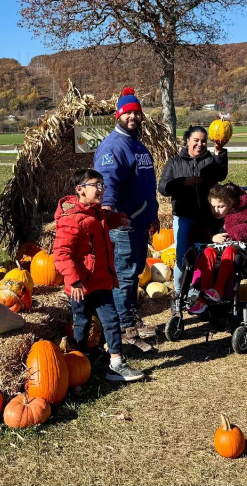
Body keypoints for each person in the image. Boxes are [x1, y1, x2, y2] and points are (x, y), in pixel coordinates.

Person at [53, 169, 145, 382]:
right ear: (80, 189)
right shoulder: (71, 219)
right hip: (80, 286)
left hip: (101, 281)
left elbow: (100, 223)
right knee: (82, 322)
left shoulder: (96, 211)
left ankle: (116, 364)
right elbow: (61, 254)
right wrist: (74, 280)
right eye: (97, 185)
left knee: (111, 321)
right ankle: (79, 359)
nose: (102, 189)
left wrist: (116, 219)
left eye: (103, 185)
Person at [93, 87, 158, 351]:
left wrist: (152, 215)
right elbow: (108, 182)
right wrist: (110, 212)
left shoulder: (137, 144)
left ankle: (131, 318)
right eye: (127, 112)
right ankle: (124, 329)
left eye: (136, 112)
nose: (132, 117)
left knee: (133, 274)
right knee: (124, 277)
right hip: (124, 224)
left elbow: (144, 184)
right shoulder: (113, 147)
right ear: (118, 116)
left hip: (140, 223)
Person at [158, 125, 228, 301]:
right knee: (182, 257)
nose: (200, 144)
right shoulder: (175, 162)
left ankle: (200, 291)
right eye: (196, 140)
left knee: (206, 255)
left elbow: (221, 175)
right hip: (184, 217)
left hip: (206, 217)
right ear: (187, 140)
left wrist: (220, 152)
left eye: (203, 141)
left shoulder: (210, 161)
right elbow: (163, 187)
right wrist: (183, 182)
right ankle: (178, 293)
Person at [187, 183, 247, 314]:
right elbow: (195, 232)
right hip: (216, 249)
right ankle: (205, 293)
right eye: (213, 207)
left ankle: (218, 289)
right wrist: (212, 236)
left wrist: (235, 234)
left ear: (230, 204)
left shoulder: (241, 214)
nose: (216, 210)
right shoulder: (210, 218)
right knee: (207, 252)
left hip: (239, 250)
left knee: (229, 251)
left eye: (220, 206)